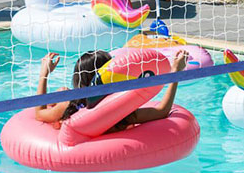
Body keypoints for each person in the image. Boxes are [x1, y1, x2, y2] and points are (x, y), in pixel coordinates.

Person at [34, 49, 188, 133]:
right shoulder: (120, 111)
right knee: (62, 91)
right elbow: (162, 111)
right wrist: (175, 73)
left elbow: (39, 113)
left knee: (62, 91)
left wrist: (44, 74)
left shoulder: (70, 105)